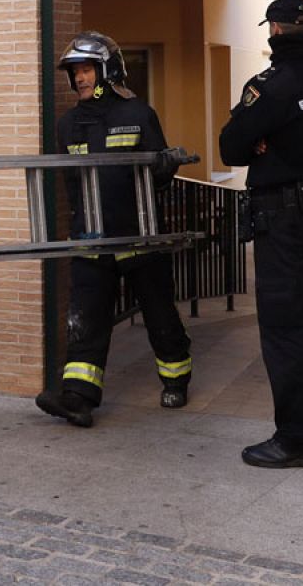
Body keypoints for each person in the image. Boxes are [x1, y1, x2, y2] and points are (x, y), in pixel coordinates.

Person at [36, 32, 195, 429]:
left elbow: (159, 176)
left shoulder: (139, 114)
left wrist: (165, 167)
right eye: (75, 73)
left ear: (107, 70)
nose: (80, 79)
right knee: (85, 320)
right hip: (92, 238)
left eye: (86, 70)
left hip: (140, 235)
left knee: (160, 315)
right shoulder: (69, 123)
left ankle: (176, 381)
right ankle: (78, 398)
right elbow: (71, 183)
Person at [219, 0, 303, 469]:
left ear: (273, 29)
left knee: (284, 325)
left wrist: (256, 140)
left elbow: (230, 146)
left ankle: (297, 439)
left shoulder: (271, 85)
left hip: (281, 215)